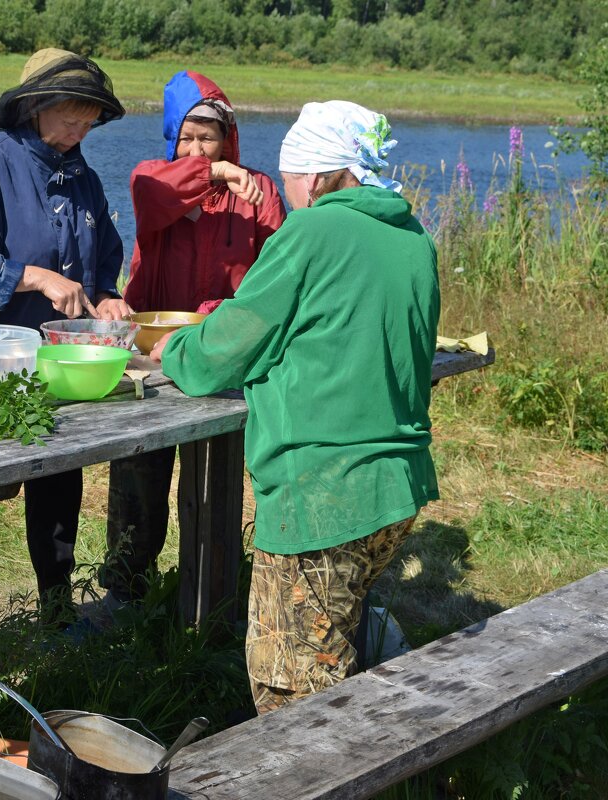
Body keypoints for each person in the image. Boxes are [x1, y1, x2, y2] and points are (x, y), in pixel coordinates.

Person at [151, 101, 439, 714]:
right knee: (333, 649)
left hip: (323, 494)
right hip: (397, 485)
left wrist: (169, 348)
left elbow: (220, 353)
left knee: (294, 695)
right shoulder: (413, 237)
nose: (288, 195)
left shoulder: (309, 233)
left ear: (312, 177)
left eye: (288, 182)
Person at [0, 48, 130, 624]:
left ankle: (56, 611)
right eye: (71, 118)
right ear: (36, 107)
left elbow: (100, 264)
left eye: (88, 122)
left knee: (59, 491)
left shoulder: (85, 178)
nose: (80, 131)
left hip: (63, 369)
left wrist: (108, 294)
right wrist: (31, 276)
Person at [101, 71, 287, 605]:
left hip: (222, 350)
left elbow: (271, 273)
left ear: (229, 137)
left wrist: (213, 316)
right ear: (171, 139)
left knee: (211, 478)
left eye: (210, 137)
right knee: (139, 472)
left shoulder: (259, 192)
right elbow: (150, 191)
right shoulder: (154, 180)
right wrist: (218, 171)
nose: (198, 148)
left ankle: (207, 593)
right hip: (151, 352)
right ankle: (125, 591)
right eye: (188, 137)